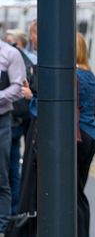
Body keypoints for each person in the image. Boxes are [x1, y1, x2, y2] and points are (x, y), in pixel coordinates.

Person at [2, 30, 34, 215]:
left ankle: (8, 219)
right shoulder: (26, 57)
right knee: (12, 167)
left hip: (8, 121)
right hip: (17, 121)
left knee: (7, 171)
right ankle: (13, 214)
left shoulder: (11, 56)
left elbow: (18, 88)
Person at [75, 32, 95, 237]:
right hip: (91, 135)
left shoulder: (71, 76)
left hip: (76, 136)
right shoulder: (91, 77)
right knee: (79, 191)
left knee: (71, 192)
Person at [0, 34, 26, 235]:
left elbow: (18, 88)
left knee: (2, 176)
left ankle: (2, 227)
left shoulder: (10, 54)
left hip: (3, 121)